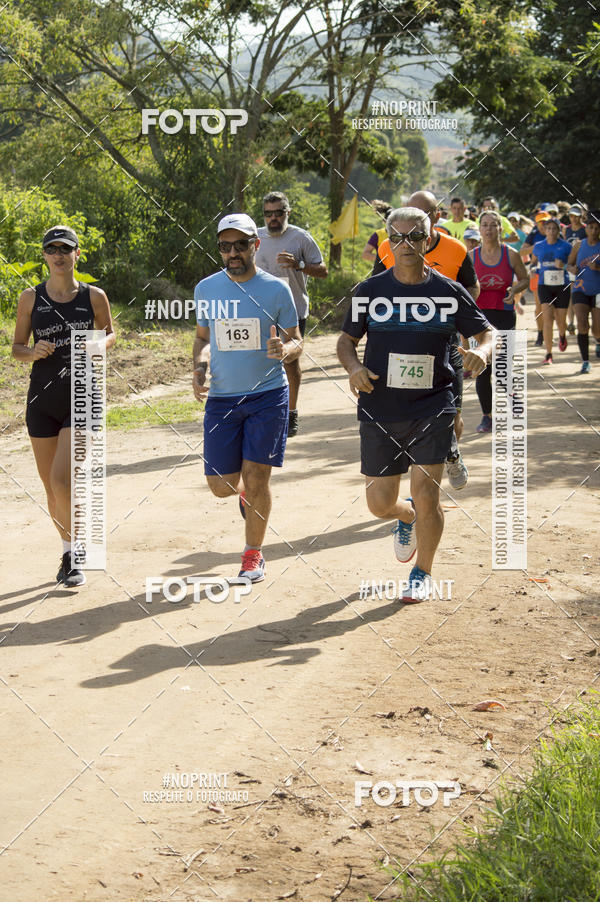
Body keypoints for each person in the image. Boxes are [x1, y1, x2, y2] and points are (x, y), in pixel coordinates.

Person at [337, 207, 493, 601]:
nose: (407, 244)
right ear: (388, 242)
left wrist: (483, 352)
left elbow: (486, 332)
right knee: (379, 504)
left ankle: (422, 572)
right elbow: (345, 341)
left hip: (433, 404)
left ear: (429, 239)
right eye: (399, 237)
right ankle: (403, 516)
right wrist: (353, 366)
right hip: (380, 406)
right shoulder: (369, 291)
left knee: (428, 494)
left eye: (416, 236)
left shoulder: (447, 291)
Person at [193, 213, 303, 583]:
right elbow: (202, 339)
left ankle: (253, 554)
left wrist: (285, 350)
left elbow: (297, 340)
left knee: (258, 478)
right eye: (226, 246)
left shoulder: (276, 289)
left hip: (268, 396)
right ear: (219, 251)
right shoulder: (206, 289)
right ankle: (244, 494)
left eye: (241, 244)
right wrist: (198, 367)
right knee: (221, 486)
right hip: (223, 399)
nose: (233, 252)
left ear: (256, 246)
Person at [11, 225, 115, 587]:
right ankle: (69, 547)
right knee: (50, 487)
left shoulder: (93, 296)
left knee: (63, 480)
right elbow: (16, 348)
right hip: (41, 400)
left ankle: (75, 556)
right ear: (44, 255)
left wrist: (100, 344)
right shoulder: (30, 298)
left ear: (77, 254)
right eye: (52, 249)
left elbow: (110, 331)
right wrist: (32, 351)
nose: (58, 255)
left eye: (65, 249)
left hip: (82, 396)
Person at [375, 190, 481, 491]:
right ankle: (419, 487)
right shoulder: (389, 245)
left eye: (421, 217)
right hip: (403, 346)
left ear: (436, 217)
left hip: (445, 346)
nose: (409, 229)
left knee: (453, 418)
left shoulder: (456, 249)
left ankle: (450, 451)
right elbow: (377, 290)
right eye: (408, 214)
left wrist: (453, 316)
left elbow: (472, 288)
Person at [255, 191, 327, 437]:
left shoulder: (301, 238)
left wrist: (300, 265)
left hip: (293, 309)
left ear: (287, 212)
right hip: (259, 310)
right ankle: (263, 412)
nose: (273, 218)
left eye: (278, 213)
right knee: (259, 360)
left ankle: (291, 412)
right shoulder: (254, 237)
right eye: (268, 214)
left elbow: (323, 270)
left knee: (290, 360)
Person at [470, 210, 529, 433]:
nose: (488, 229)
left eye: (493, 225)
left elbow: (525, 279)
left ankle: (513, 401)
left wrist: (515, 289)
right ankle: (487, 416)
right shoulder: (472, 256)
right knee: (482, 367)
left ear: (500, 229)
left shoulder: (511, 254)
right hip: (480, 317)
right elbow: (463, 284)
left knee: (503, 364)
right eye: (484, 225)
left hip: (504, 313)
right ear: (479, 229)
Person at [530, 218, 572, 364]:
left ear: (559, 231)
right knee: (547, 319)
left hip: (562, 286)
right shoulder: (539, 246)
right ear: (545, 230)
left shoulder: (566, 246)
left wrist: (564, 266)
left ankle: (562, 335)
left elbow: (573, 266)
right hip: (544, 285)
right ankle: (548, 354)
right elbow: (533, 262)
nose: (552, 231)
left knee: (561, 320)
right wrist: (532, 269)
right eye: (549, 229)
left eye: (555, 229)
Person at [567, 210, 600, 373]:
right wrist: (571, 268)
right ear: (586, 228)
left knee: (597, 327)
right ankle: (585, 360)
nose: (594, 231)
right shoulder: (579, 245)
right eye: (591, 227)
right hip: (580, 289)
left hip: (598, 291)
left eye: (597, 228)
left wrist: (598, 267)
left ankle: (598, 341)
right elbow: (569, 264)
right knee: (581, 323)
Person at [522, 213, 550, 347]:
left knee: (551, 307)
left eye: (546, 223)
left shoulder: (554, 233)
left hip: (554, 273)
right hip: (537, 273)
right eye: (541, 223)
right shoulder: (533, 235)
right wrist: (536, 247)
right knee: (539, 305)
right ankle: (540, 333)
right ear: (537, 224)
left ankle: (548, 332)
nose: (543, 226)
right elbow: (522, 252)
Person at [362, 200, 393, 264]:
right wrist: (383, 258)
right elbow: (365, 254)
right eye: (390, 221)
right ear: (384, 221)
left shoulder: (403, 234)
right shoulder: (378, 235)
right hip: (382, 270)